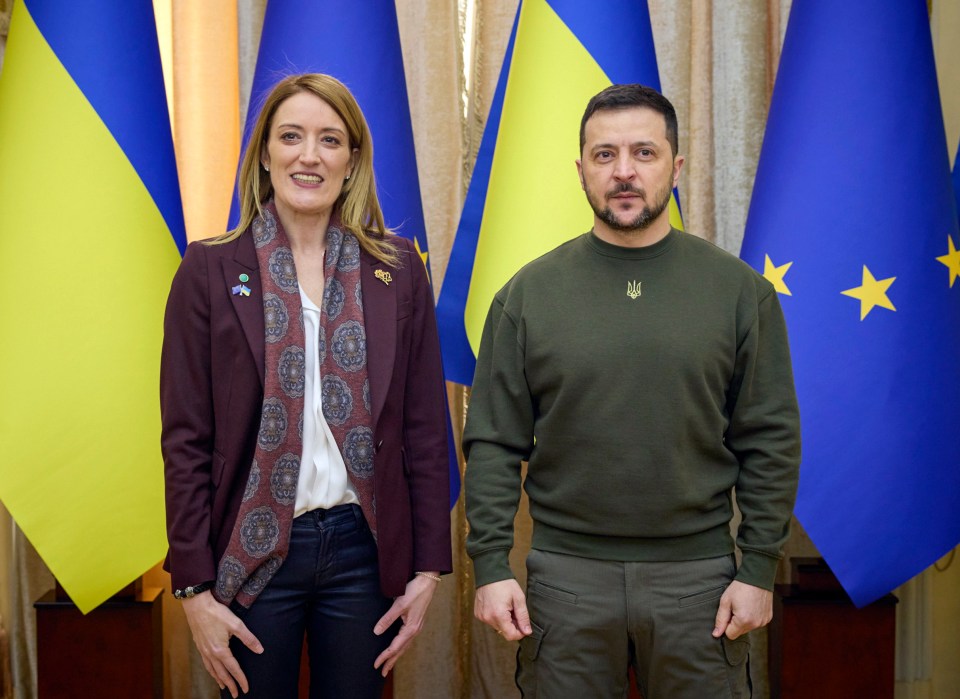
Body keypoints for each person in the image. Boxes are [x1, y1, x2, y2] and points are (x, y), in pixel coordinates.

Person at [464, 83, 801, 698]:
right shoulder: (526, 296)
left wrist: (756, 570)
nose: (623, 172)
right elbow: (491, 441)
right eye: (604, 155)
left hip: (700, 583)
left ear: (675, 166)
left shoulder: (738, 293)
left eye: (644, 153)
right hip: (565, 583)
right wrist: (490, 565)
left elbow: (770, 439)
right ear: (580, 170)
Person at [161, 73, 451, 699]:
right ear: (265, 154)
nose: (309, 155)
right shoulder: (209, 269)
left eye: (330, 140)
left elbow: (427, 430)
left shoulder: (397, 272)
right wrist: (192, 589)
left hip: (362, 554)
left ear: (352, 162)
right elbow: (185, 440)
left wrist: (428, 568)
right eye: (291, 137)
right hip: (251, 553)